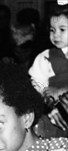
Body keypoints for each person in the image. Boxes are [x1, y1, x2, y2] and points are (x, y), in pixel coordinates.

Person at [29, 6, 68, 136]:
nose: (55, 34)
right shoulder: (45, 57)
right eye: (52, 30)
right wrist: (46, 95)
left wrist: (61, 90)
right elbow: (36, 81)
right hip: (55, 111)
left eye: (62, 29)